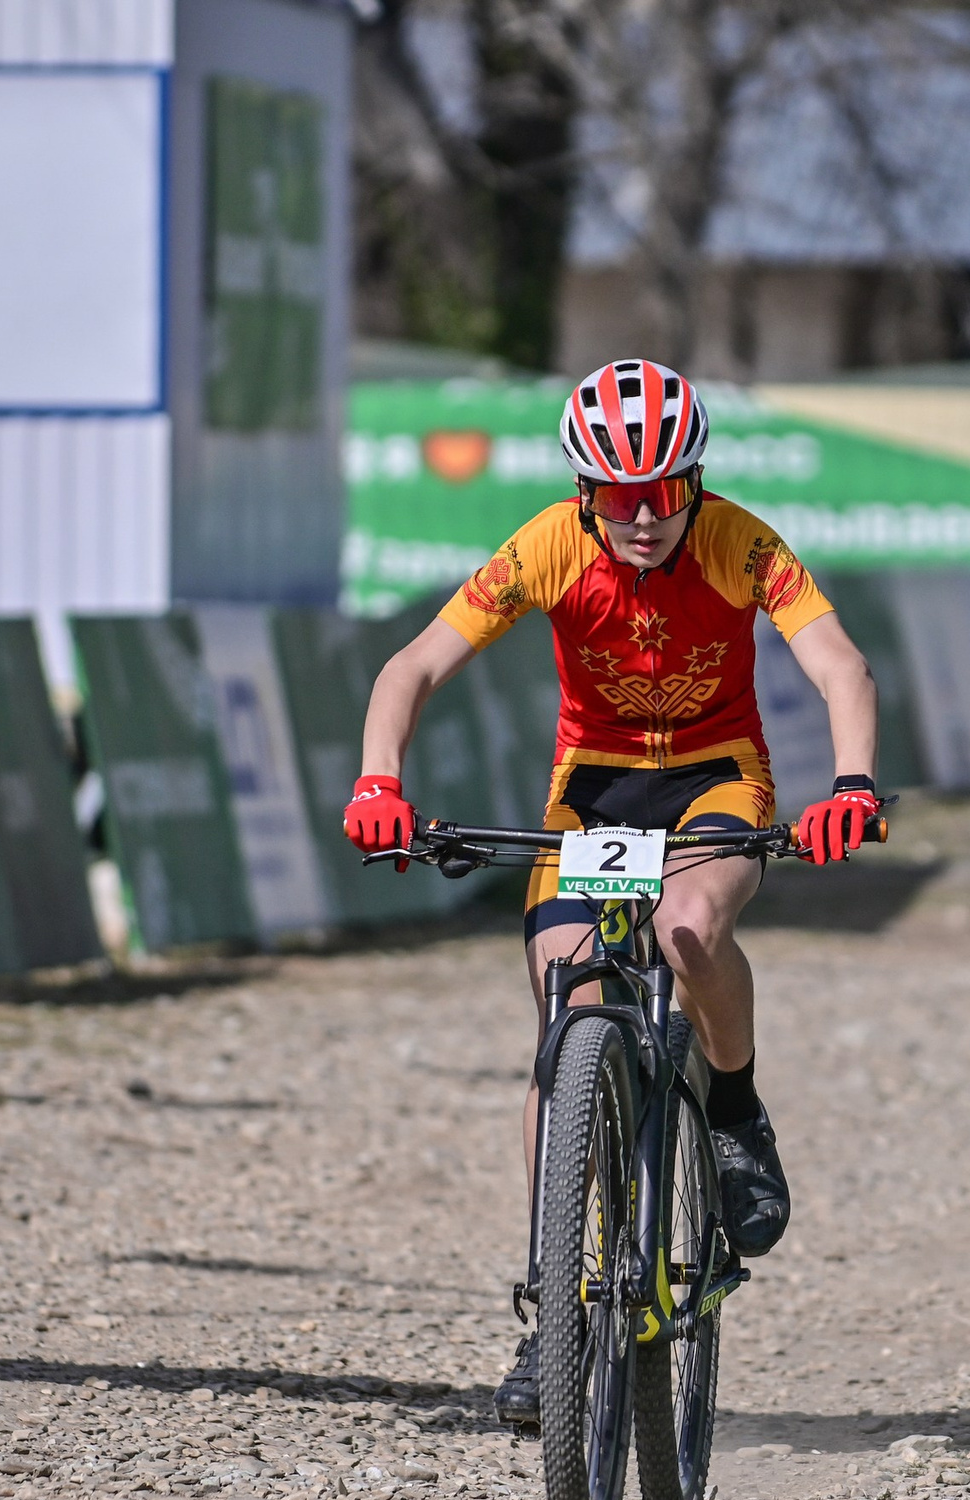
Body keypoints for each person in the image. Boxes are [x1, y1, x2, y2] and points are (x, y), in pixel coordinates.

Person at [342, 359, 882, 1430]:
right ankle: (557, 1314)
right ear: (585, 491)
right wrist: (378, 781)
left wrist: (852, 784)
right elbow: (406, 670)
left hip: (717, 779)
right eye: (619, 496)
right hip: (593, 797)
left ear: (694, 479)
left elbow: (840, 667)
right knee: (567, 1012)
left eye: (667, 490)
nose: (644, 518)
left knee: (687, 928)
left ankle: (732, 1112)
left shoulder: (738, 540)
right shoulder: (548, 545)